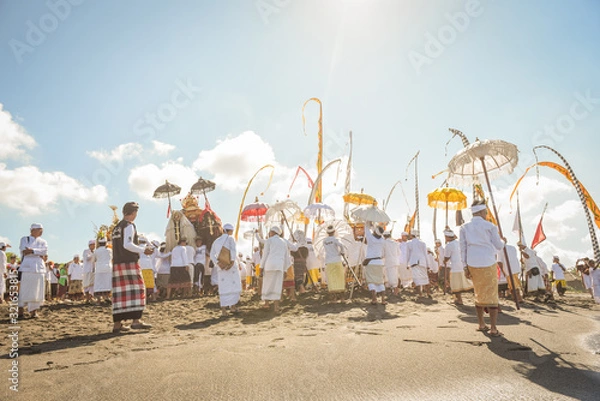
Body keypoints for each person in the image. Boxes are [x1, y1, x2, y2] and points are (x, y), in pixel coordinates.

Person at [459, 202, 505, 336]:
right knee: (491, 294)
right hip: (487, 262)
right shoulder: (490, 226)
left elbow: (463, 248)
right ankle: (493, 328)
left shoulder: (464, 227)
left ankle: (481, 324)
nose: (486, 214)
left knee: (478, 292)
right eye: (485, 212)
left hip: (472, 262)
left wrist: (465, 266)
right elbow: (498, 245)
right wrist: (504, 241)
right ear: (480, 212)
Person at [110, 201, 153, 333]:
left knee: (119, 294)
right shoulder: (129, 226)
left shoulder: (116, 228)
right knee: (137, 290)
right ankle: (136, 320)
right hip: (129, 262)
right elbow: (127, 244)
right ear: (133, 212)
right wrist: (143, 249)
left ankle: (117, 324)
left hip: (118, 263)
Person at [211, 223, 242, 316]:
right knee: (234, 285)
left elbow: (213, 254)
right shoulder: (230, 238)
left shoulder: (216, 241)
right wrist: (231, 262)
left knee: (223, 287)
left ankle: (224, 310)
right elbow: (233, 251)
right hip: (230, 267)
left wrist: (218, 263)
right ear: (230, 231)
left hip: (221, 267)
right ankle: (233, 307)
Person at [18, 223, 48, 318]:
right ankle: (20, 310)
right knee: (25, 289)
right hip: (27, 268)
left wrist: (32, 251)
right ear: (33, 230)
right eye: (39, 229)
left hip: (39, 268)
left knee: (37, 290)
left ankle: (33, 311)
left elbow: (45, 252)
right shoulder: (24, 239)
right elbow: (24, 251)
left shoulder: (43, 241)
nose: (41, 231)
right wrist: (37, 252)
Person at [260, 226, 291, 314]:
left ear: (272, 232)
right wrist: (285, 269)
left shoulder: (269, 241)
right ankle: (276, 308)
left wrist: (261, 267)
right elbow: (286, 257)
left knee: (267, 284)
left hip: (269, 265)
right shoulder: (284, 242)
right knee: (277, 286)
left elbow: (265, 255)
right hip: (279, 266)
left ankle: (266, 304)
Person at [443, 229, 472, 305]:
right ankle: (459, 299)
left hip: (455, 267)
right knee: (463, 283)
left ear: (447, 237)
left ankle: (459, 300)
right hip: (463, 266)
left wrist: (444, 261)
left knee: (455, 285)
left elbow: (446, 257)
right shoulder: (459, 242)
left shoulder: (449, 245)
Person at [364, 222, 387, 305]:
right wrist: (373, 226)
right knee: (380, 281)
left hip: (371, 262)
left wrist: (368, 222)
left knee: (371, 281)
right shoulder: (382, 240)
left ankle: (374, 299)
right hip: (379, 262)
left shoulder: (370, 238)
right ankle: (383, 300)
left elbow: (366, 229)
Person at [322, 225, 346, 301]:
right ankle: (342, 298)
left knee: (331, 279)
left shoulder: (324, 241)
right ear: (334, 231)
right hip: (337, 260)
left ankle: (334, 298)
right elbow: (341, 245)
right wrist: (342, 252)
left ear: (327, 232)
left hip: (329, 261)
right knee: (340, 278)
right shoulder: (336, 239)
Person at [406, 229, 431, 298]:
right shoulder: (422, 243)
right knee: (425, 278)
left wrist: (407, 264)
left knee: (416, 279)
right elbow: (425, 254)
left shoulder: (409, 243)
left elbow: (408, 255)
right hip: (422, 262)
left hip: (414, 263)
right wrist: (428, 265)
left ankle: (420, 294)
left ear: (411, 235)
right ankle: (428, 293)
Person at [290, 230, 309, 295]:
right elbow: (306, 255)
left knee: (298, 276)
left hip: (297, 262)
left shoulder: (296, 247)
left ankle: (302, 289)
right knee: (301, 276)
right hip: (303, 261)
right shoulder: (305, 247)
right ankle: (301, 289)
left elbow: (292, 253)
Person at [138, 236, 156, 301]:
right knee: (151, 283)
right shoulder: (147, 247)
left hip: (141, 264)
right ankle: (153, 297)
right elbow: (153, 247)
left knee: (142, 282)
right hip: (148, 265)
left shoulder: (137, 247)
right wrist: (148, 242)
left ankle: (144, 298)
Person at [383, 231, 400, 296]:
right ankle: (394, 291)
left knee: (389, 277)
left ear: (384, 236)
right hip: (395, 261)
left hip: (388, 262)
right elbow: (399, 253)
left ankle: (394, 291)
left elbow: (382, 253)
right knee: (395, 276)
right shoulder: (396, 243)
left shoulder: (384, 243)